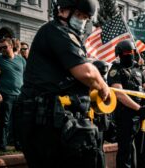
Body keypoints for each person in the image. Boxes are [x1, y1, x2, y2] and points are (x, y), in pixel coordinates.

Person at [15, 0, 110, 167]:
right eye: (80, 15)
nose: (83, 21)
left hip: (52, 118)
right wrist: (103, 87)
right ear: (63, 11)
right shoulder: (56, 30)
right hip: (48, 121)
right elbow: (86, 72)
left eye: (86, 18)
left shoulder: (65, 34)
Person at [107, 39, 145, 168]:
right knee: (126, 151)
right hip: (126, 115)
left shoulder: (138, 70)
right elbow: (119, 94)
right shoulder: (115, 70)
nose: (130, 54)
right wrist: (139, 109)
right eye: (126, 52)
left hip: (142, 114)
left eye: (132, 51)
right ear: (119, 54)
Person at [0, 37, 26, 151]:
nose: (3, 49)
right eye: (1, 47)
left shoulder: (21, 59)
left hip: (19, 95)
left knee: (18, 121)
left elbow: (26, 75)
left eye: (5, 47)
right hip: (6, 94)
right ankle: (2, 146)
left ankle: (18, 144)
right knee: (5, 121)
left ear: (11, 46)